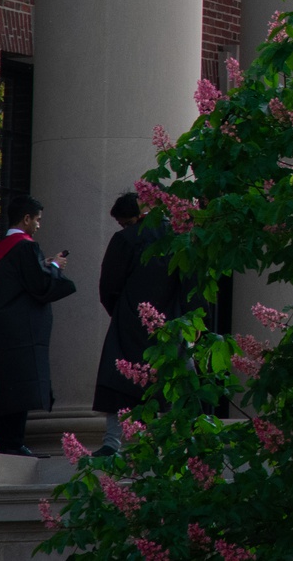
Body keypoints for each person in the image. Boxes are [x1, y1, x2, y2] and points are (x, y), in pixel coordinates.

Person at [0, 195, 76, 455]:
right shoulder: (25, 247)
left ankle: (7, 440)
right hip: (22, 331)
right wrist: (53, 266)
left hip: (1, 330)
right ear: (26, 218)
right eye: (37, 220)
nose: (38, 226)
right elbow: (39, 283)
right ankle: (13, 443)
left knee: (8, 385)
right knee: (22, 385)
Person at [91, 192, 190, 455]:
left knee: (118, 381)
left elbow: (109, 286)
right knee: (170, 383)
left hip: (130, 320)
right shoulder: (178, 238)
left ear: (132, 218)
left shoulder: (125, 240)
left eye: (124, 222)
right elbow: (191, 284)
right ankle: (167, 446)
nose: (123, 227)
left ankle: (113, 442)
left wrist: (121, 312)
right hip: (171, 323)